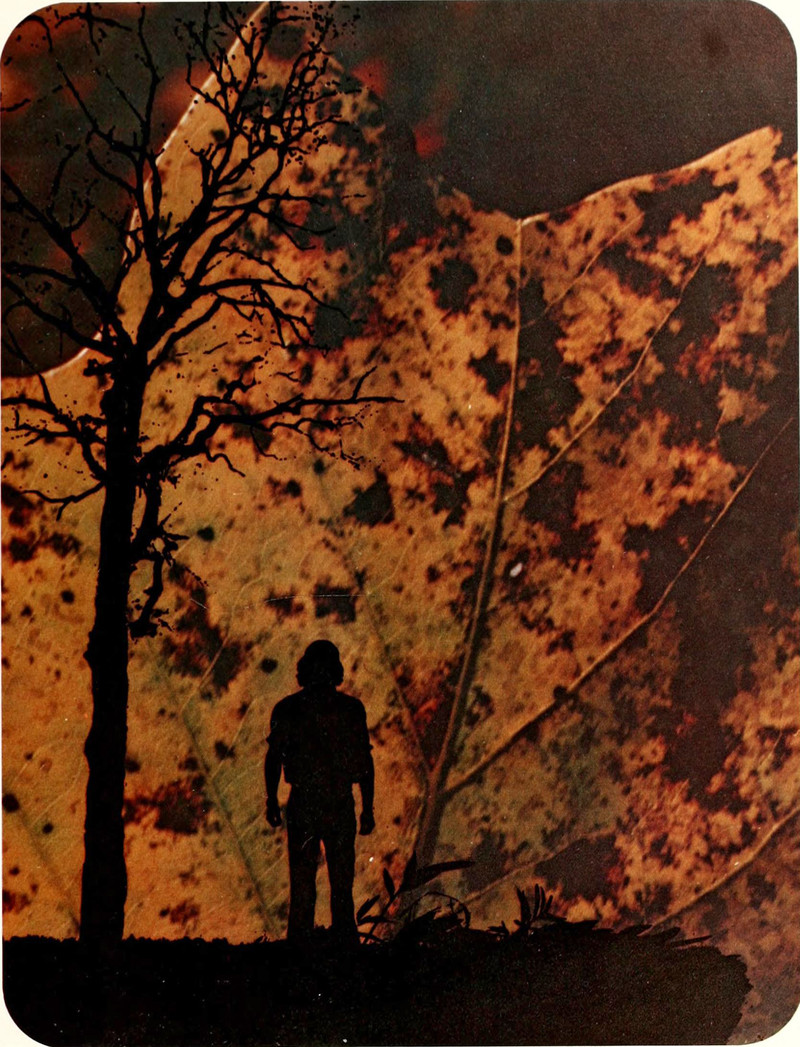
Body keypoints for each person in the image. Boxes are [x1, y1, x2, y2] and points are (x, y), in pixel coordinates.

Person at [265, 639, 375, 944]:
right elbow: (364, 762)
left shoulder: (290, 709)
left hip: (322, 803)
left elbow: (363, 762)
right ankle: (332, 947)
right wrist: (367, 808)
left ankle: (309, 948)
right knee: (325, 886)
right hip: (323, 803)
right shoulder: (348, 710)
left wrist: (272, 799)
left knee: (328, 886)